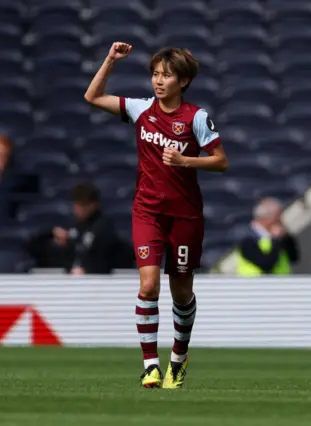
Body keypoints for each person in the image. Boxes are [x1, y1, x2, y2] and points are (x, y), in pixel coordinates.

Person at [84, 43, 228, 389]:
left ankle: (178, 358)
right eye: (155, 74)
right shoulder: (141, 109)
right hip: (147, 212)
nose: (158, 81)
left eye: (166, 75)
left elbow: (221, 160)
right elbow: (92, 96)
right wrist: (110, 61)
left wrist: (186, 161)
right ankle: (150, 364)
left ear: (184, 81)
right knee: (148, 286)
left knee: (181, 294)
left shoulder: (195, 117)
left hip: (185, 216)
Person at [53, 182, 118, 274]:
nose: (80, 210)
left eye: (84, 205)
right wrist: (65, 243)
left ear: (95, 205)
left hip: (97, 279)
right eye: (77, 205)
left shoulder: (104, 226)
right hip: (71, 277)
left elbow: (104, 257)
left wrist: (87, 269)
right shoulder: (72, 224)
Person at [236, 197, 300, 276]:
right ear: (267, 219)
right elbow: (266, 264)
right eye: (278, 218)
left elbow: (294, 258)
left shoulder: (279, 236)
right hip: (257, 286)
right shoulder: (248, 240)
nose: (281, 221)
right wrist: (275, 240)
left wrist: (286, 238)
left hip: (281, 284)